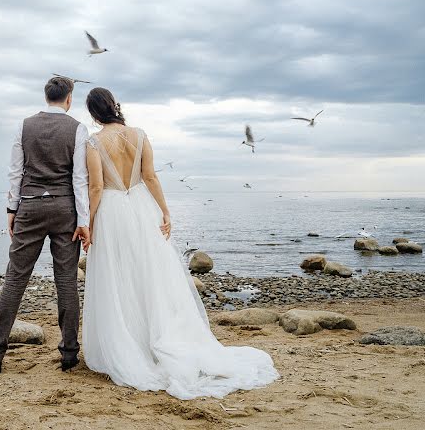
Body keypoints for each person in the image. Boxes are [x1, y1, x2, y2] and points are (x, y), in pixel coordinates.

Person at [81, 87, 279, 399]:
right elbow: (150, 177)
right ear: (114, 106)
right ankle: (155, 339)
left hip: (111, 213)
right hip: (141, 209)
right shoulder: (141, 134)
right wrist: (164, 210)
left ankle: (129, 343)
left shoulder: (93, 142)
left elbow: (95, 188)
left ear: (93, 113)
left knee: (118, 278)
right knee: (150, 276)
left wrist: (89, 225)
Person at [0, 76, 91, 373]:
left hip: (29, 205)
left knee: (16, 278)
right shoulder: (77, 129)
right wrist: (83, 221)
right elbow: (79, 179)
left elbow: (15, 172)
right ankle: (69, 353)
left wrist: (11, 208)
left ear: (47, 97)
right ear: (69, 98)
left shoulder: (24, 125)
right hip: (64, 208)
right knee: (66, 279)